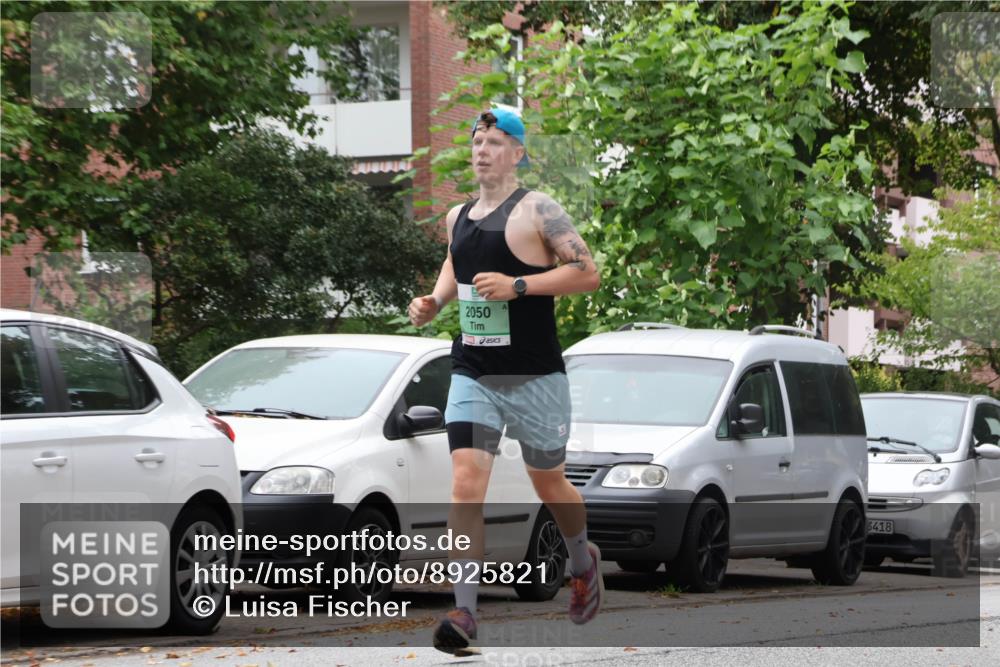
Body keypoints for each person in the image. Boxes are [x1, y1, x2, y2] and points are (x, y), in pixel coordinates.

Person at [408, 108, 603, 655]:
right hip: (475, 369)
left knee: (549, 484)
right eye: (476, 141)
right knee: (466, 482)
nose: (481, 150)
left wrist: (520, 285)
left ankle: (583, 561)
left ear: (517, 152)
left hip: (535, 374)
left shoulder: (539, 210)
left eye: (494, 141)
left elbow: (588, 274)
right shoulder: (457, 215)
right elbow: (457, 260)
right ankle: (464, 612)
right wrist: (436, 300)